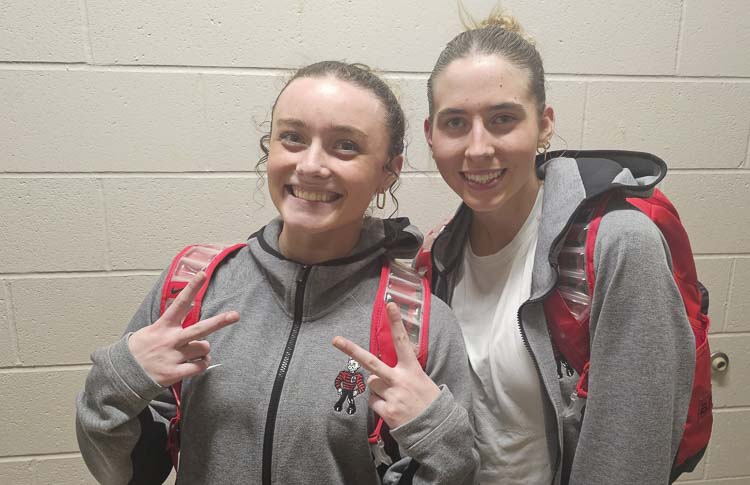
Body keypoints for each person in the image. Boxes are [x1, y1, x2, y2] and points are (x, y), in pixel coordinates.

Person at [76, 61, 478, 485]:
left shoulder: (419, 323)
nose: (310, 165)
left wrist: (440, 438)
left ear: (388, 170)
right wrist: (117, 380)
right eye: (293, 137)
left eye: (345, 146)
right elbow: (127, 473)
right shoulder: (192, 287)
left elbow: (450, 471)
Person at [420, 11, 695, 485]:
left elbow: (629, 456)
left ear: (545, 124)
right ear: (430, 135)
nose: (478, 148)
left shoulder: (618, 246)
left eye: (503, 119)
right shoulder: (438, 258)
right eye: (456, 123)